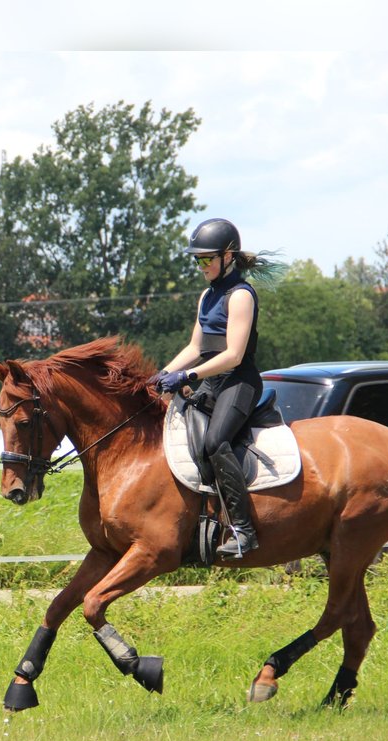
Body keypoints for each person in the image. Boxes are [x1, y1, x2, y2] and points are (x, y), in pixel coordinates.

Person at [151, 217, 279, 558]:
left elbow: (234, 356)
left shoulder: (241, 296)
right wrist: (163, 373)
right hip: (211, 381)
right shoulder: (208, 295)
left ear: (228, 257)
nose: (201, 265)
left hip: (239, 383)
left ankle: (244, 531)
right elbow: (195, 348)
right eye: (197, 259)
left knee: (215, 441)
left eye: (207, 258)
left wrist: (188, 377)